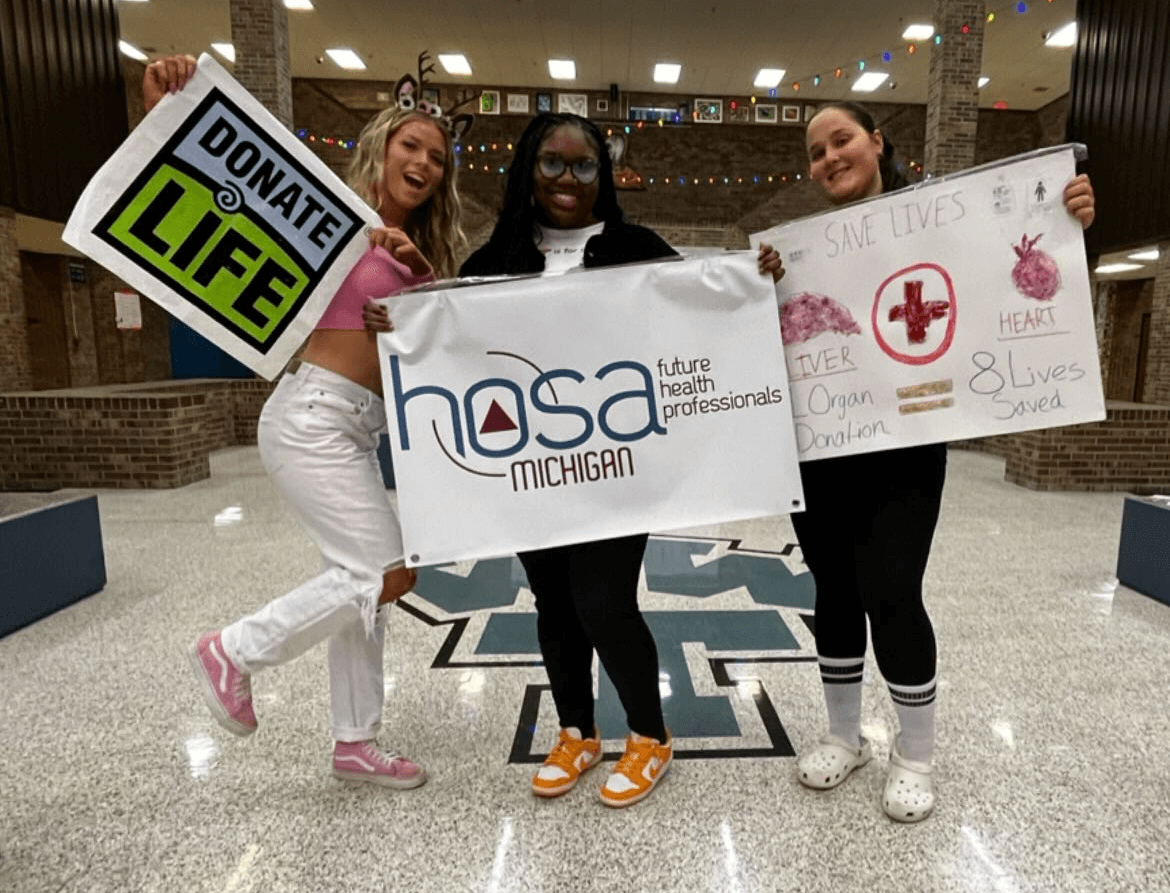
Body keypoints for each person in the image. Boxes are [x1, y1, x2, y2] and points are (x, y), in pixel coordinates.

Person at [367, 112, 778, 807]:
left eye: (584, 165)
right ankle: (577, 730)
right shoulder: (493, 260)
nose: (566, 177)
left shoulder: (637, 247)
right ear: (528, 168)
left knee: (604, 601)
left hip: (619, 470)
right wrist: (405, 322)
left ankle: (649, 734)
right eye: (551, 163)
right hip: (531, 472)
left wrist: (755, 279)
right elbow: (454, 350)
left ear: (603, 175)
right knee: (553, 604)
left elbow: (705, 315)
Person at [760, 101, 1095, 822]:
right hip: (820, 447)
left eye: (841, 139)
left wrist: (1069, 221)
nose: (829, 158)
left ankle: (914, 752)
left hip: (903, 451)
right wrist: (759, 284)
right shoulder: (802, 247)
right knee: (834, 591)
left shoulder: (943, 221)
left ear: (877, 141)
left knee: (892, 590)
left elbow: (1013, 277)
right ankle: (844, 735)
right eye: (816, 150)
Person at [141, 54, 467, 788]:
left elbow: (440, 338)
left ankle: (355, 740)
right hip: (311, 413)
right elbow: (225, 181)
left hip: (362, 427)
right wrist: (165, 103)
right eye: (410, 146)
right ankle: (234, 649)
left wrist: (421, 271)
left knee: (357, 581)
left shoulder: (426, 248)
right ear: (381, 147)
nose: (423, 162)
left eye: (437, 158)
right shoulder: (331, 217)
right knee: (388, 572)